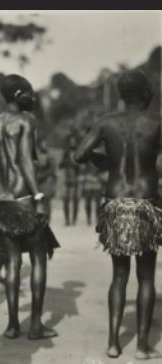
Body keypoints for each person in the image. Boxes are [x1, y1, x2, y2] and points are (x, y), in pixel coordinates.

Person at [73, 70, 161, 360]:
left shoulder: (105, 122)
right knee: (146, 277)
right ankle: (142, 346)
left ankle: (112, 343)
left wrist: (102, 160)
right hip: (147, 202)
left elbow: (78, 154)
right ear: (146, 94)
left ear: (122, 96)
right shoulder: (157, 121)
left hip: (115, 204)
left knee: (119, 275)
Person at [0, 74, 60, 340]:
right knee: (38, 258)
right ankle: (36, 326)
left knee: (13, 262)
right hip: (25, 198)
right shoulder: (27, 121)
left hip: (2, 200)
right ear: (18, 95)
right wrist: (39, 197)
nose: (34, 97)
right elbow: (27, 162)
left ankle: (13, 326)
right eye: (29, 92)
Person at [60, 133, 81, 226]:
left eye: (74, 140)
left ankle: (74, 219)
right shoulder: (66, 152)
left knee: (76, 199)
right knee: (66, 199)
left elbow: (82, 165)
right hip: (67, 177)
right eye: (71, 140)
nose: (72, 142)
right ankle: (67, 219)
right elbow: (61, 164)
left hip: (76, 177)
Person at [36, 138, 58, 224]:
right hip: (38, 181)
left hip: (45, 182)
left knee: (46, 203)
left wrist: (41, 176)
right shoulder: (36, 156)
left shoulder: (50, 156)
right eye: (42, 143)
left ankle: (46, 221)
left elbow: (52, 170)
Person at [82, 160, 103, 226]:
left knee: (96, 203)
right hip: (92, 184)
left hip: (96, 183)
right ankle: (90, 218)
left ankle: (95, 218)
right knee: (89, 202)